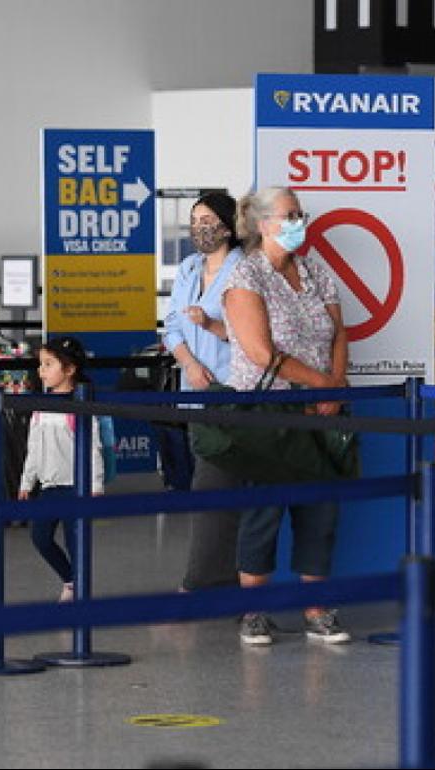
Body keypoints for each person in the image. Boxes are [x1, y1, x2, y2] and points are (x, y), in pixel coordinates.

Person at [223, 186, 351, 646]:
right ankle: (254, 612)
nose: (299, 220)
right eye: (290, 214)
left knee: (321, 510)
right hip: (269, 408)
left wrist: (334, 383)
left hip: (323, 406)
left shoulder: (316, 268)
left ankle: (317, 609)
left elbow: (338, 331)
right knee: (264, 511)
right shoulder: (245, 275)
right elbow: (260, 352)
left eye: (301, 213)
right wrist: (318, 383)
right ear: (262, 224)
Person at [162, 192, 244, 592]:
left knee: (213, 486)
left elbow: (253, 336)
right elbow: (172, 326)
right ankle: (217, 577)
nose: (200, 227)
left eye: (208, 219)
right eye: (195, 220)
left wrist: (211, 326)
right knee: (209, 484)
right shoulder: (189, 268)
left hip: (233, 391)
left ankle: (198, 582)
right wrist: (190, 365)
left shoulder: (243, 269)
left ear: (228, 225)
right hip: (195, 391)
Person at [18, 336, 105, 602]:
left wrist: (95, 484)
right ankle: (71, 580)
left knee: (75, 543)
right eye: (40, 364)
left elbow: (93, 447)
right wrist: (26, 482)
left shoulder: (80, 406)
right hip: (49, 488)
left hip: (75, 488)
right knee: (40, 538)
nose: (40, 370)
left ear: (69, 370)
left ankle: (80, 592)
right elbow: (33, 448)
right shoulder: (41, 405)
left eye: (48, 364)